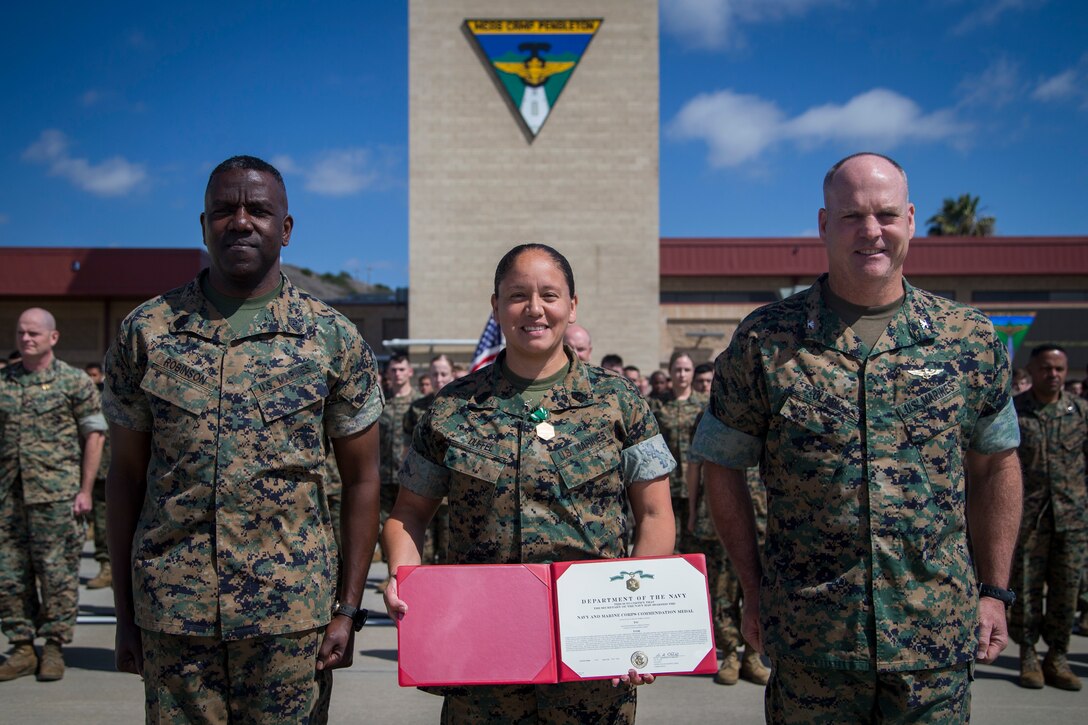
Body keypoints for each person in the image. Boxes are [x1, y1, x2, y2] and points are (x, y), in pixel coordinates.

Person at [692, 152, 1023, 721]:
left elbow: (996, 465)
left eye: (886, 215)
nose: (871, 231)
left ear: (912, 220)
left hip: (933, 640)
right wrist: (753, 587)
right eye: (852, 217)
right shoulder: (766, 340)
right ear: (824, 225)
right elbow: (723, 465)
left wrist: (994, 591)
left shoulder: (969, 338)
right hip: (811, 642)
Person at [103, 155, 383, 721]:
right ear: (203, 225)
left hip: (292, 620)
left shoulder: (331, 337)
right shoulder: (147, 332)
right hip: (175, 615)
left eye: (258, 209)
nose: (240, 221)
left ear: (285, 227)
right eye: (223, 210)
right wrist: (126, 614)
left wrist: (347, 611)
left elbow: (363, 481)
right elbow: (127, 478)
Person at [383, 243, 675, 723]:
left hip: (592, 660)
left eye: (549, 295)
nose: (534, 308)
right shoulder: (451, 408)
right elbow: (409, 515)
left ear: (572, 306)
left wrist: (636, 619)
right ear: (495, 306)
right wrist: (401, 572)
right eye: (517, 295)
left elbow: (655, 514)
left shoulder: (619, 401)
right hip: (482, 655)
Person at [0, 308, 106, 682]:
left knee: (58, 576)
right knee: (10, 576)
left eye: (33, 333)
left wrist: (85, 490)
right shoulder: (4, 382)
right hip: (8, 500)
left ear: (52, 338)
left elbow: (94, 435)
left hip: (58, 496)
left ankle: (55, 648)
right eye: (21, 333)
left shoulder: (74, 383)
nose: (26, 339)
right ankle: (22, 647)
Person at [1010, 345, 1087, 690]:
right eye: (1046, 368)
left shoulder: (1081, 412)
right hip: (1029, 520)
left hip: (1072, 518)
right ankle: (1027, 655)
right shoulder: (1015, 411)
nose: (1053, 375)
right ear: (1032, 369)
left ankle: (1057, 656)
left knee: (1066, 590)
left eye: (1059, 369)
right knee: (1025, 589)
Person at [650, 351, 705, 555]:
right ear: (670, 372)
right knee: (668, 545)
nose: (682, 374)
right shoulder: (657, 405)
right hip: (667, 485)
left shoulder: (704, 404)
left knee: (697, 546)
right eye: (678, 370)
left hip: (697, 486)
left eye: (687, 370)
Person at [376, 353, 420, 592]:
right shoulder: (383, 404)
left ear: (410, 372)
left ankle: (412, 573)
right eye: (394, 370)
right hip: (385, 476)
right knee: (385, 526)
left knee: (408, 526)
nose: (398, 374)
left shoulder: (419, 403)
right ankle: (390, 572)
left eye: (402, 369)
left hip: (411, 478)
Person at [83, 362, 113, 589]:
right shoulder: (91, 399)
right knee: (102, 521)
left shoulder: (125, 397)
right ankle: (106, 566)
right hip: (102, 470)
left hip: (128, 469)